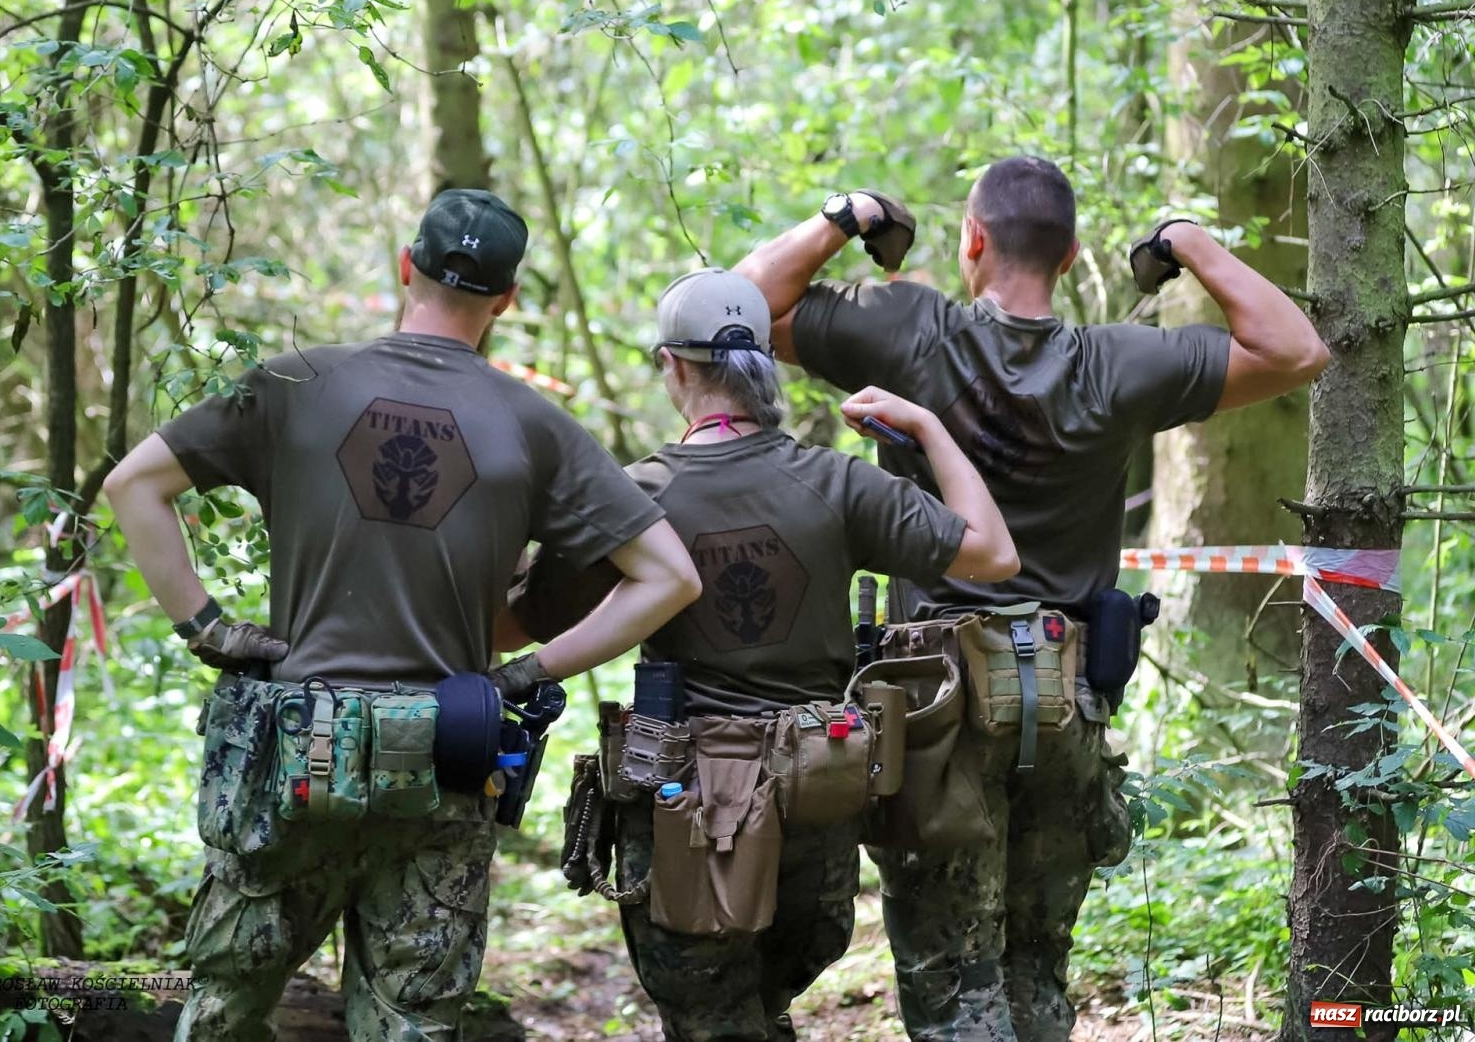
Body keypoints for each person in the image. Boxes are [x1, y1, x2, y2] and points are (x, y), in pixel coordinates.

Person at [733, 162, 1329, 1041]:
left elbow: (736, 308)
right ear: (1072, 252)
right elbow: (1297, 350)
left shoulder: (909, 329)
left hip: (934, 709)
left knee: (951, 987)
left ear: (973, 239)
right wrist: (1186, 243)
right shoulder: (1117, 364)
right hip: (1064, 698)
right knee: (1037, 972)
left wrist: (845, 216)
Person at [103, 188, 701, 1042]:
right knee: (409, 1023)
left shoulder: (295, 382)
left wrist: (206, 625)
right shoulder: (534, 426)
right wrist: (529, 671)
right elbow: (668, 577)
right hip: (443, 763)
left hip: (293, 753)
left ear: (405, 266)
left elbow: (134, 486)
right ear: (507, 301)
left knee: (225, 1008)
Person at [506, 267, 1019, 1042]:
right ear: (764, 369)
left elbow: (522, 621)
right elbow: (993, 554)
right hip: (819, 795)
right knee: (767, 996)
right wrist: (930, 430)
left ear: (671, 365)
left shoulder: (634, 495)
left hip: (688, 806)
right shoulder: (838, 483)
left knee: (709, 1014)